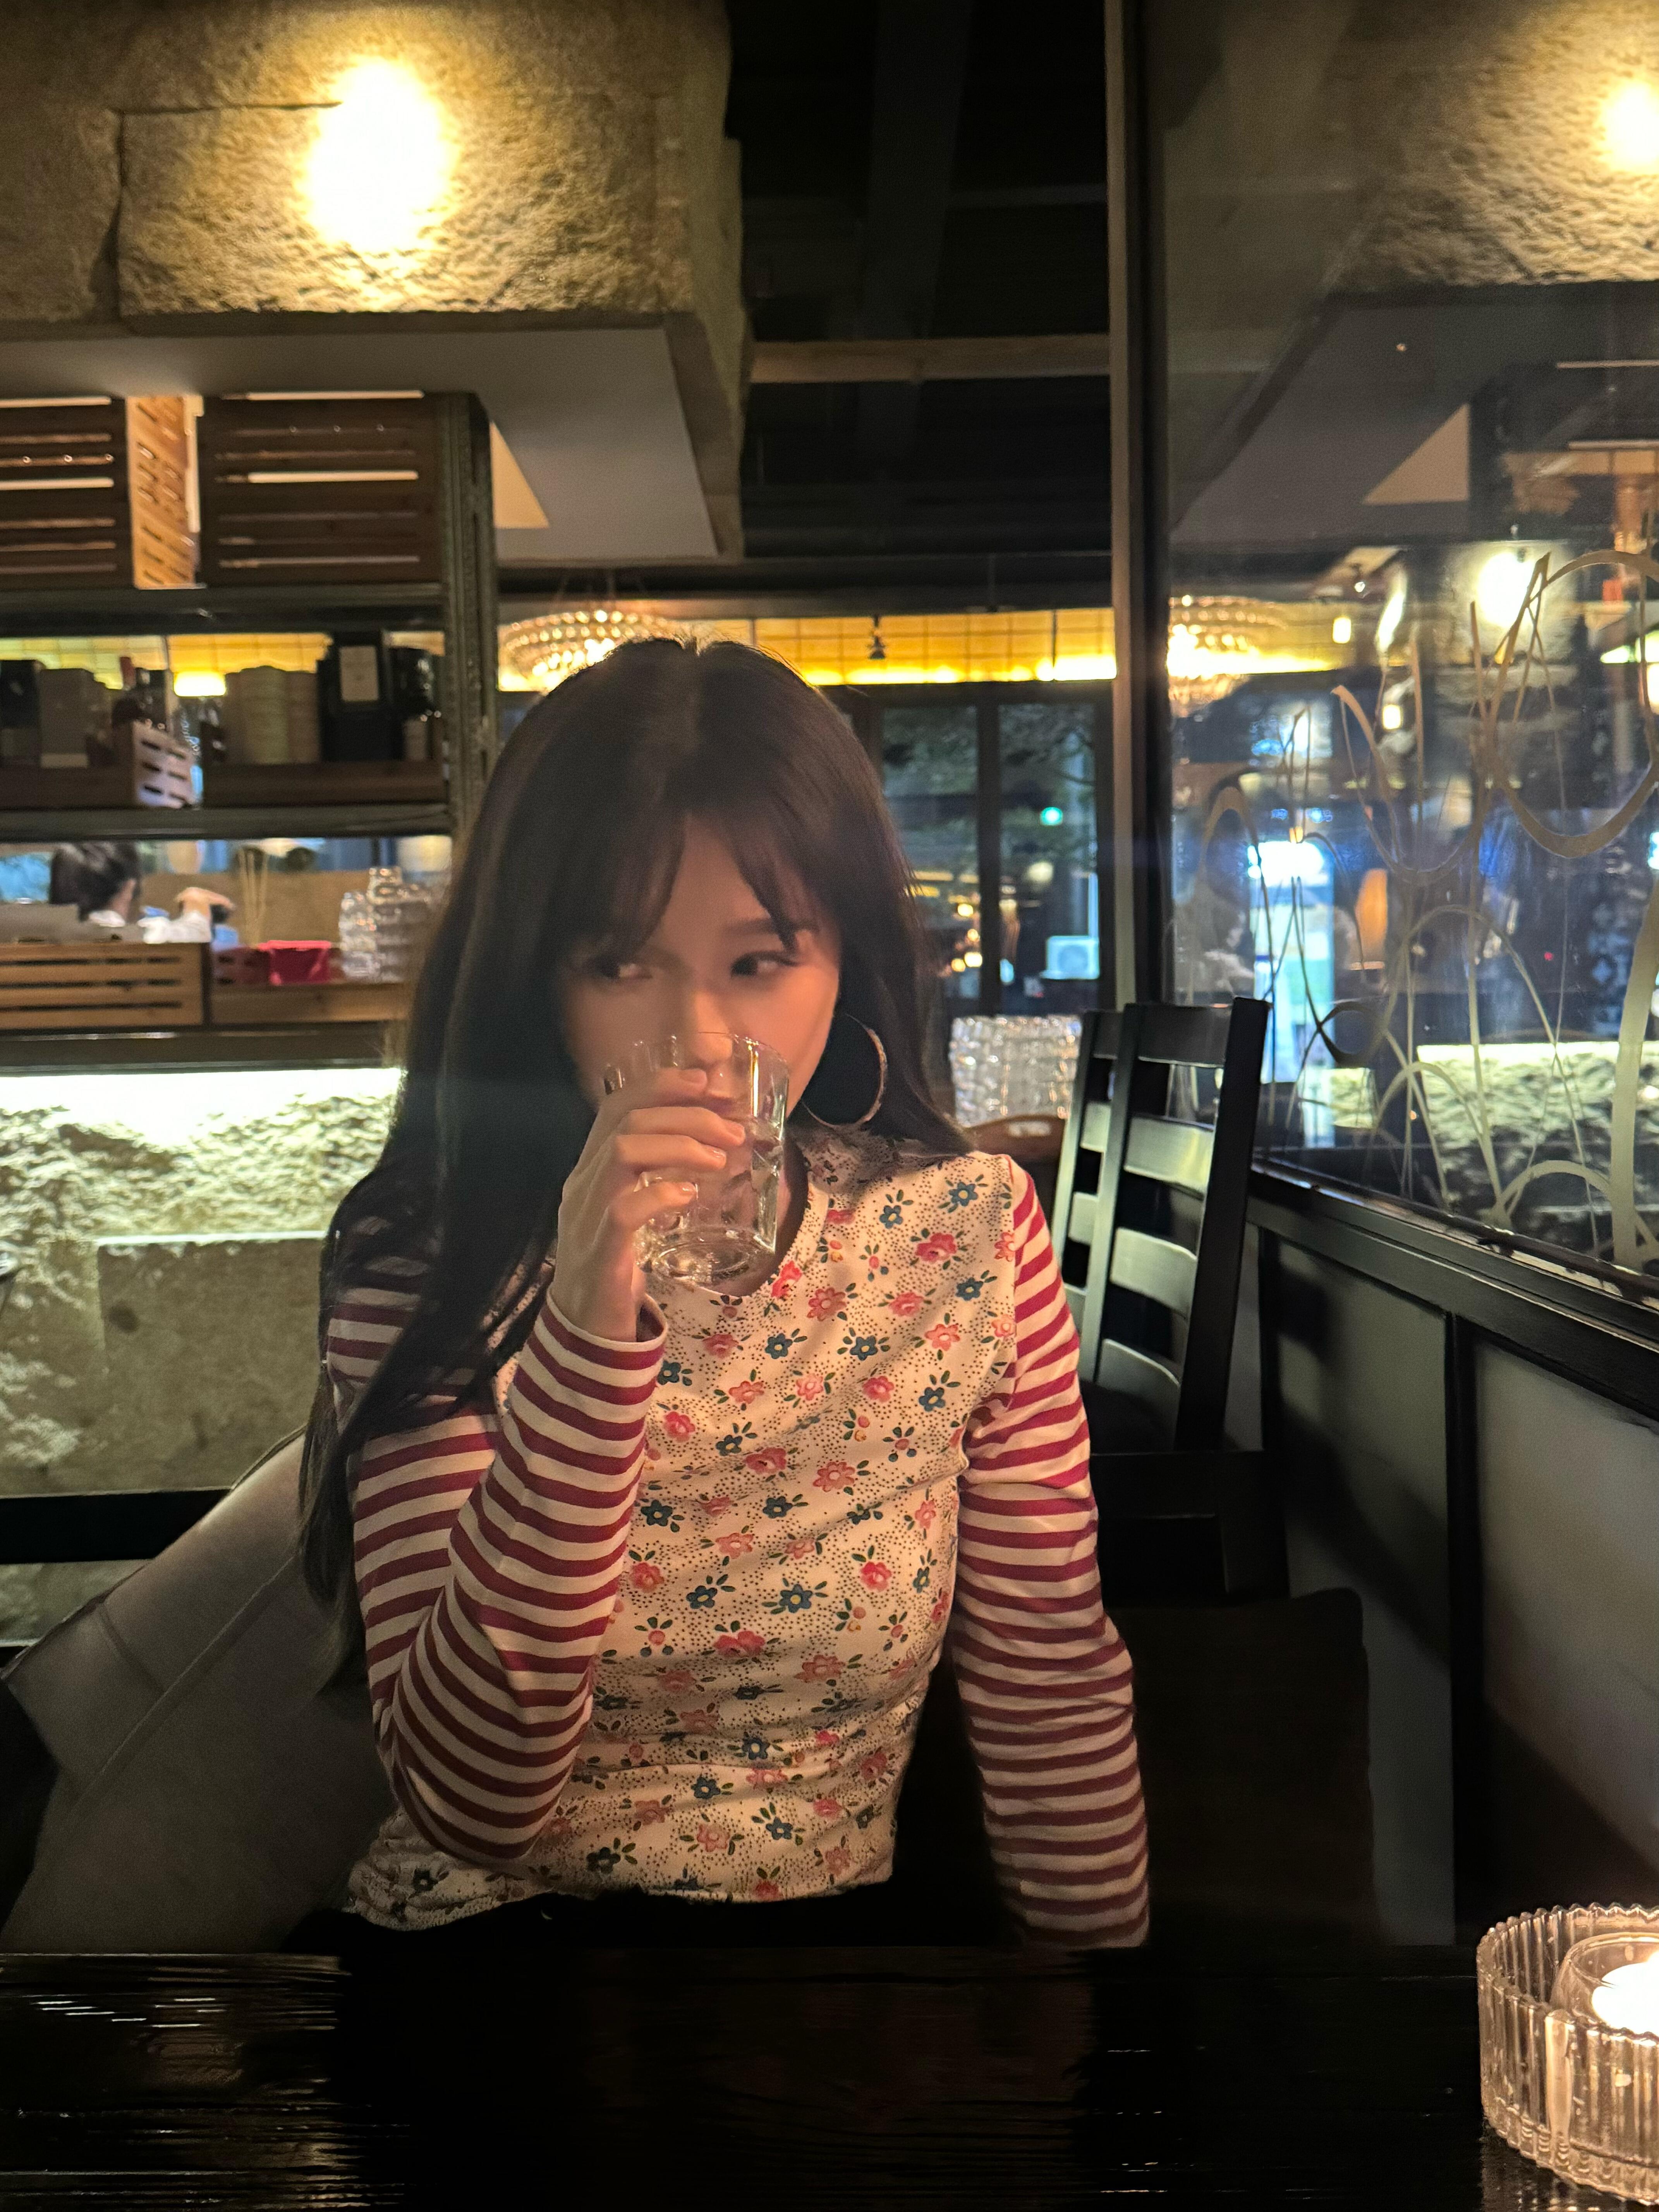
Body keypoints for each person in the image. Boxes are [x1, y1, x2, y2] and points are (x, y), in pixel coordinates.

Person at [294, 639, 1147, 1953]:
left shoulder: (963, 1235)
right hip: (488, 1957)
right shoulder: (425, 1256)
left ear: (844, 960)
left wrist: (1113, 2027)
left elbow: (1049, 1683)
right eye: (619, 964)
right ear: (535, 979)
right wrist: (587, 1327)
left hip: (819, 1978)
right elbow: (469, 1802)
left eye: (758, 963)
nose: (697, 1043)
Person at [48, 840, 232, 941]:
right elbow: (196, 933)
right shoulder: (146, 938)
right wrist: (195, 901)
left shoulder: (46, 940)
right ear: (129, 888)